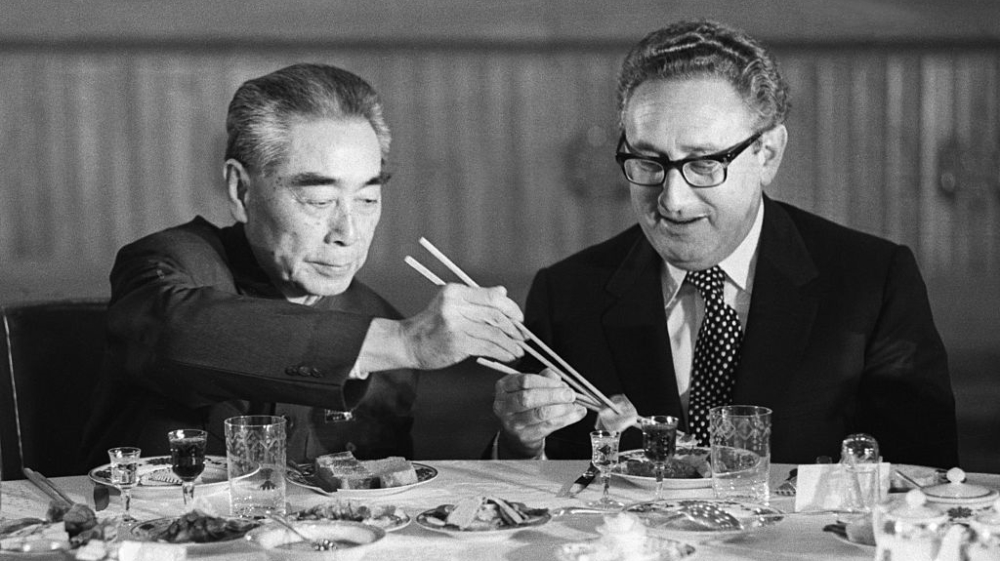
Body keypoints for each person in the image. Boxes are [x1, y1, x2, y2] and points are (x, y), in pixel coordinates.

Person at [492, 20, 958, 467]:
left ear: (768, 155)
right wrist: (520, 444)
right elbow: (519, 497)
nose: (672, 201)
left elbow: (926, 482)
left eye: (704, 164)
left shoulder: (872, 283)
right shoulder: (567, 294)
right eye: (649, 161)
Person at [82, 63, 526, 467]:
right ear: (241, 191)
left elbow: (382, 503)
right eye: (318, 200)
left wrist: (520, 443)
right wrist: (402, 341)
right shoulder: (168, 265)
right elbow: (175, 333)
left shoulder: (380, 323)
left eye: (368, 199)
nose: (347, 233)